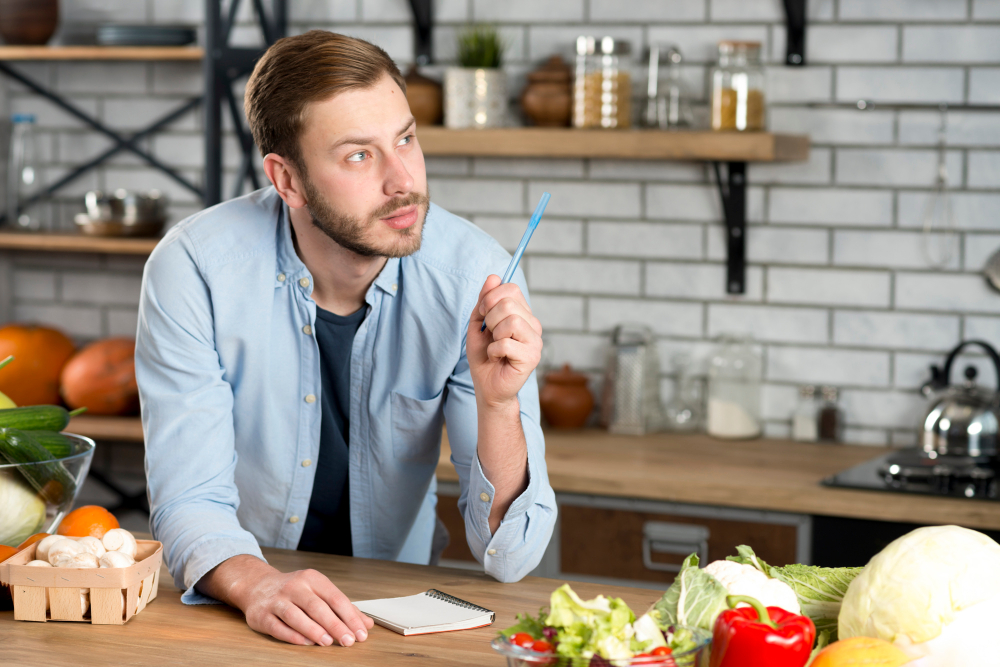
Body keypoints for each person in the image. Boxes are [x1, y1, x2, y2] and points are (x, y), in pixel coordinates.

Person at [135, 31, 557, 648]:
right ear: (288, 180)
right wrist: (257, 585)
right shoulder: (194, 268)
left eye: (405, 139)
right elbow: (189, 500)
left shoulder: (477, 277)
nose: (403, 180)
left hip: (398, 617)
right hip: (243, 606)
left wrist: (499, 405)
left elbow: (510, 556)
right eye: (359, 155)